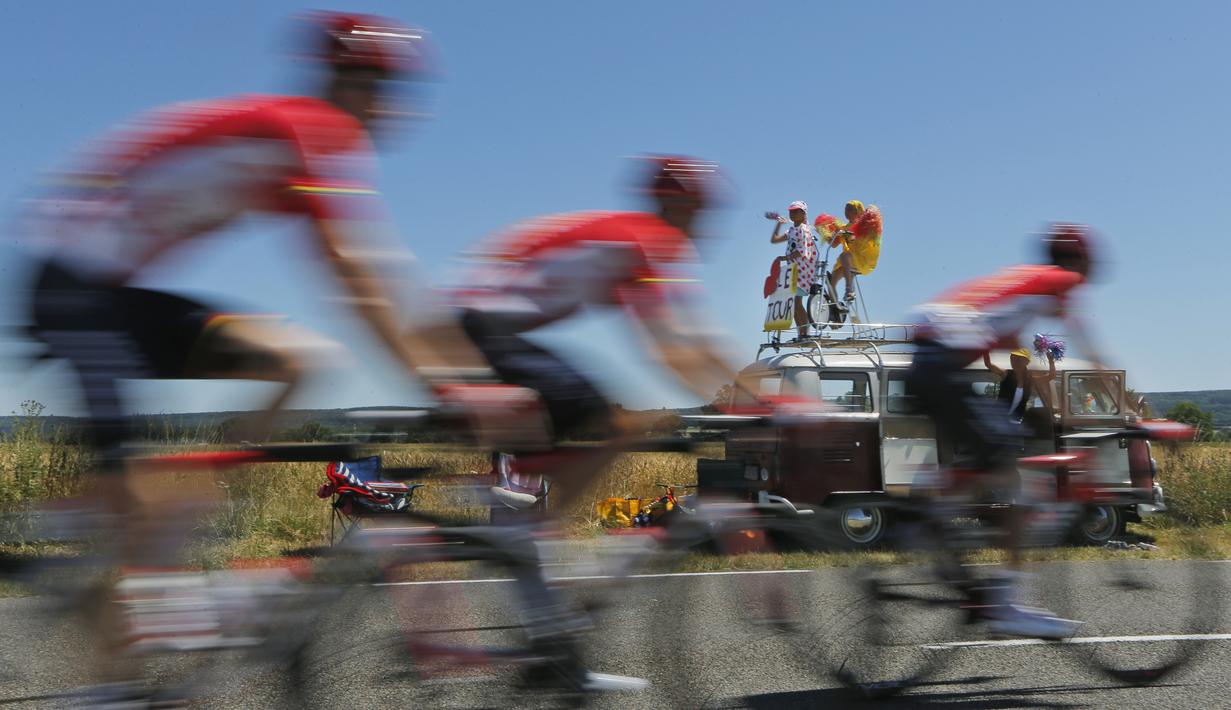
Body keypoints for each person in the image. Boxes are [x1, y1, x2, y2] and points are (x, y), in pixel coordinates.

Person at [19, 12, 528, 703]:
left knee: (293, 358)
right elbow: (360, 276)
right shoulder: (306, 130)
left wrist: (459, 374)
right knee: (141, 512)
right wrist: (453, 383)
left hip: (113, 292)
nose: (391, 109)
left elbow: (382, 276)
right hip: (74, 292)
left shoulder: (296, 139)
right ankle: (107, 672)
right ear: (350, 85)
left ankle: (170, 525)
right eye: (382, 90)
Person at [450, 156, 754, 684]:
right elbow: (673, 349)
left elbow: (691, 338)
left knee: (586, 432)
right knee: (619, 426)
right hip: (488, 326)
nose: (703, 225)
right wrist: (754, 403)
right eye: (700, 212)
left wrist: (743, 388)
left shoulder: (631, 238)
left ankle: (547, 634)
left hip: (482, 321)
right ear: (679, 204)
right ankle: (527, 535)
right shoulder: (646, 242)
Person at [907, 223, 1106, 639]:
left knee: (999, 457)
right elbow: (1092, 352)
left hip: (925, 365)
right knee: (1012, 471)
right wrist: (1139, 416)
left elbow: (1012, 362)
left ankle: (932, 509)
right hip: (938, 369)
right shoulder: (1058, 279)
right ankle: (1005, 602)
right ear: (1078, 262)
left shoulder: (1015, 284)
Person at [768, 200, 818, 339]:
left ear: (803, 213)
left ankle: (805, 332)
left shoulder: (804, 229)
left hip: (802, 271)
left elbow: (802, 251)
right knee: (794, 303)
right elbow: (774, 240)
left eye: (796, 211)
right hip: (793, 271)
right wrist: (778, 224)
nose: (792, 213)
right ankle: (802, 333)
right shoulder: (791, 230)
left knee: (796, 302)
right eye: (791, 211)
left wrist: (786, 257)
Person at [819, 199, 883, 304]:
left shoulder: (865, 226)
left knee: (844, 256)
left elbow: (873, 235)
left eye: (850, 209)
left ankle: (849, 289)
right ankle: (836, 310)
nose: (846, 211)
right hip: (847, 261)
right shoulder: (843, 228)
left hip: (861, 259)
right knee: (831, 282)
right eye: (846, 209)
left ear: (858, 212)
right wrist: (823, 231)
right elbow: (833, 244)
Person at [982, 347, 1057, 422]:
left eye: (1018, 359)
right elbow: (988, 364)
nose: (1014, 362)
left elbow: (1051, 376)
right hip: (997, 418)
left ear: (1027, 362)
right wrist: (984, 349)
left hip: (1016, 421)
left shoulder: (1031, 380)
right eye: (1012, 359)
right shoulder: (1006, 374)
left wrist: (1051, 360)